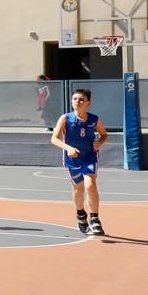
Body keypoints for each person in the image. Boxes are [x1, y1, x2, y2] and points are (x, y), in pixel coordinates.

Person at [51, 87, 109, 235]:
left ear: (88, 103)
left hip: (89, 156)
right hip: (72, 159)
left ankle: (95, 219)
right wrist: (68, 148)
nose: (78, 101)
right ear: (71, 101)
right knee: (78, 189)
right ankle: (80, 214)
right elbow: (54, 139)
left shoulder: (93, 119)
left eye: (81, 99)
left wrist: (99, 143)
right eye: (75, 99)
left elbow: (104, 135)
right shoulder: (66, 118)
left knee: (90, 185)